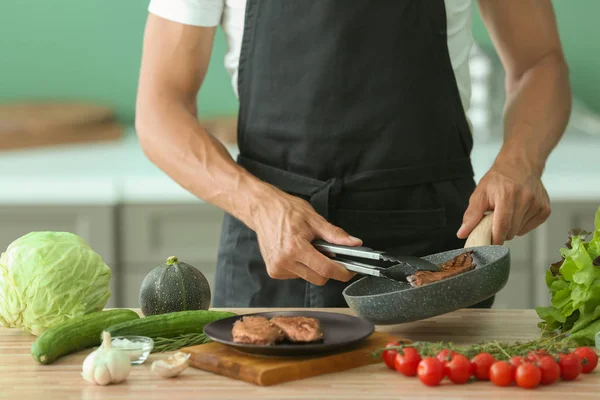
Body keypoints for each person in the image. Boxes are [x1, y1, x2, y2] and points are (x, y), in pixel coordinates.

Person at [135, 0, 571, 308]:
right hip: (275, 248)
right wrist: (260, 205)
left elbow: (540, 63)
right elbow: (160, 108)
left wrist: (520, 162)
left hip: (435, 251)